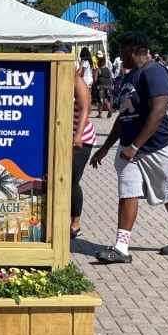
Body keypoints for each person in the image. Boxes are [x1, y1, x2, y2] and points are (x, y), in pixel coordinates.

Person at [89, 30, 168, 263]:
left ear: (134, 49)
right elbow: (123, 116)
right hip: (130, 148)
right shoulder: (129, 77)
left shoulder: (154, 72)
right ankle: (121, 248)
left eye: (122, 50)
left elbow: (158, 111)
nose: (119, 54)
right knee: (128, 192)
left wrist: (135, 146)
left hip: (160, 144)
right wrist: (105, 148)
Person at [70, 64, 96, 238]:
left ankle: (76, 225)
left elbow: (86, 108)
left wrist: (78, 135)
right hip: (61, 138)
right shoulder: (54, 79)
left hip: (81, 138)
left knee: (72, 181)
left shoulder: (76, 81)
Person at [94, 51, 114, 118]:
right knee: (107, 99)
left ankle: (99, 114)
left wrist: (95, 85)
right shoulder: (108, 69)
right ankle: (109, 110)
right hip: (108, 85)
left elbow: (95, 79)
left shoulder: (98, 70)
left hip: (101, 86)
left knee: (100, 100)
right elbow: (111, 77)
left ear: (99, 63)